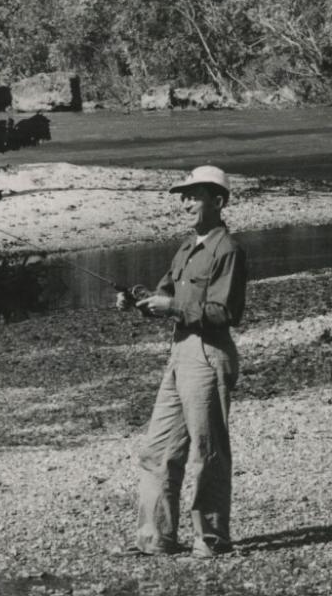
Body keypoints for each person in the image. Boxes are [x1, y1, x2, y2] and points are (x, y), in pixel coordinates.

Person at [115, 165, 249, 558]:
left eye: (194, 196)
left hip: (209, 354)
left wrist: (171, 306)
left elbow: (225, 312)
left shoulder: (229, 250)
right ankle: (155, 538)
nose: (186, 202)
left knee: (207, 451)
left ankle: (211, 538)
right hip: (179, 353)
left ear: (218, 202)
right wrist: (137, 300)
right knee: (158, 450)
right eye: (183, 196)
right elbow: (163, 294)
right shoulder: (186, 247)